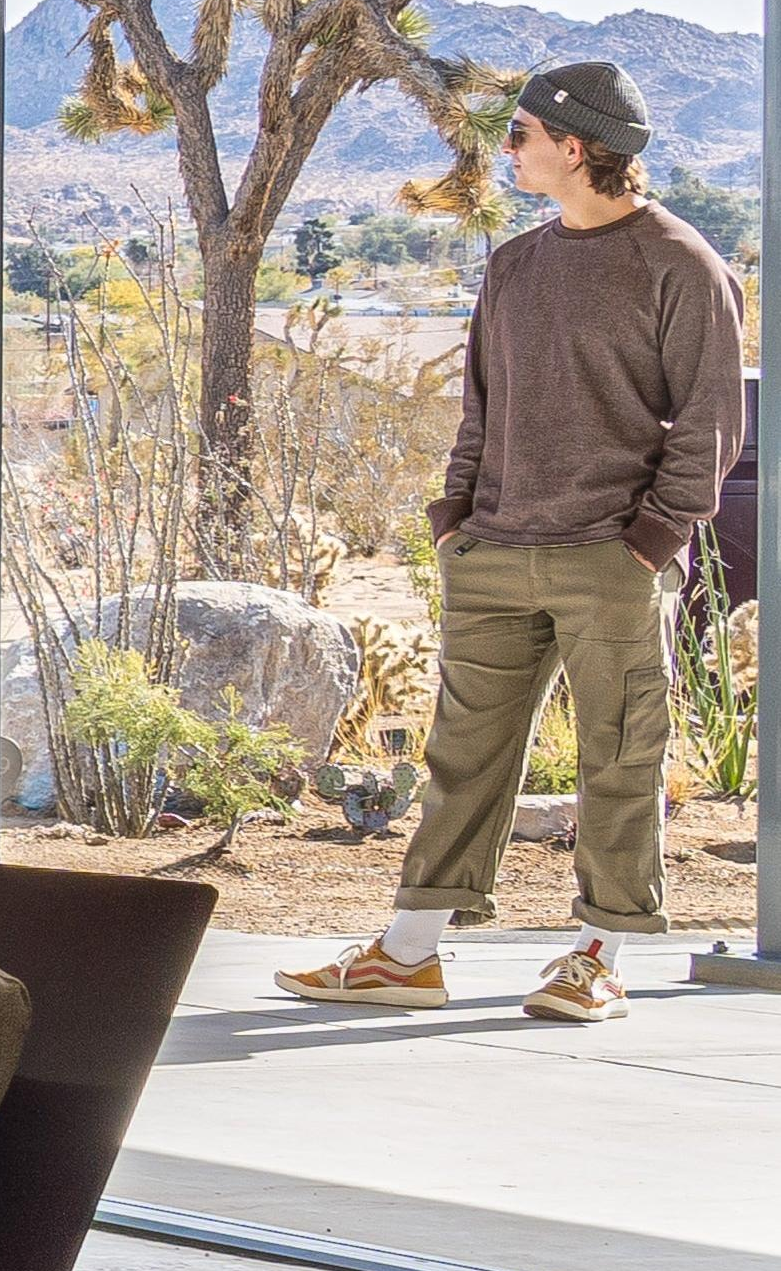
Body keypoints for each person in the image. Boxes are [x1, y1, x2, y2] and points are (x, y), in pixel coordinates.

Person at [283, 58, 750, 1025]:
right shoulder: (515, 264)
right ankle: (409, 954)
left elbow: (709, 428)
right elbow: (478, 412)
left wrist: (649, 544)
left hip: (611, 562)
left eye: (520, 135)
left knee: (620, 759)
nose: (506, 150)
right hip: (492, 552)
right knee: (465, 754)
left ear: (575, 148)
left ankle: (597, 956)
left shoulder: (682, 265)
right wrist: (452, 524)